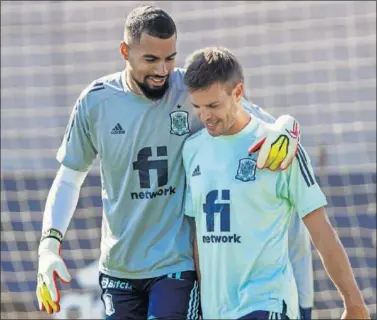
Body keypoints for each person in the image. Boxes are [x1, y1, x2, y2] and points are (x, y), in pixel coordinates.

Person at [36, 5, 303, 319]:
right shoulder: (95, 101)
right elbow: (69, 178)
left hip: (175, 266)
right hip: (117, 267)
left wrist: (286, 125)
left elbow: (248, 117)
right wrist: (48, 247)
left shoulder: (187, 90)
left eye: (170, 57)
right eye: (150, 59)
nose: (162, 70)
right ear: (125, 51)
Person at [182, 47, 370, 320]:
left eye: (213, 105)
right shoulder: (192, 150)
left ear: (237, 93)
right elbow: (199, 235)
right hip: (216, 310)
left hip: (267, 302)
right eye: (197, 106)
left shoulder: (280, 148)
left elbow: (321, 231)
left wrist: (353, 303)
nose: (205, 116)